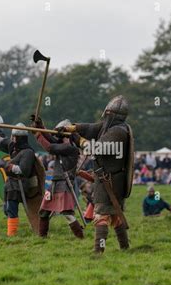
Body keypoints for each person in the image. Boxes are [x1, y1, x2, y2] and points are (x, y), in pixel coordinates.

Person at [57, 95, 134, 253]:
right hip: (108, 178)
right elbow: (91, 128)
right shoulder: (110, 127)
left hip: (111, 180)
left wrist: (78, 140)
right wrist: (71, 128)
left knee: (101, 215)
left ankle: (99, 251)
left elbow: (97, 149)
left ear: (110, 114)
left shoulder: (118, 132)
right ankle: (125, 248)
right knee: (115, 215)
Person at [31, 117, 84, 239]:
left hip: (64, 184)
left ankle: (81, 238)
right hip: (55, 183)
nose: (58, 137)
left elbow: (50, 147)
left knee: (67, 214)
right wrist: (40, 126)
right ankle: (42, 239)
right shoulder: (63, 144)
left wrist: (38, 134)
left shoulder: (71, 148)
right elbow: (51, 139)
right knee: (44, 211)